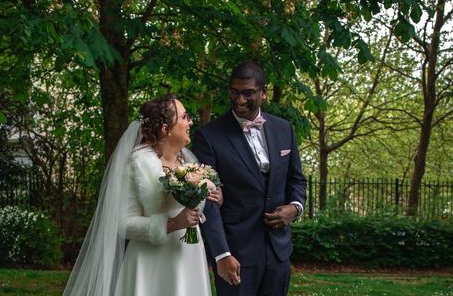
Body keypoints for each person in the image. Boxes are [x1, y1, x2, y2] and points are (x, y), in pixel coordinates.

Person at [63, 95, 221, 296]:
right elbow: (124, 224)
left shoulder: (188, 162)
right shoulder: (139, 163)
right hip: (151, 261)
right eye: (184, 117)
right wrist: (171, 224)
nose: (190, 122)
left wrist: (214, 194)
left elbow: (199, 204)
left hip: (187, 256)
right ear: (166, 128)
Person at [193, 60, 307, 296]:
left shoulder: (284, 128)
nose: (240, 100)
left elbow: (296, 180)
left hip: (278, 251)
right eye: (235, 92)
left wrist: (295, 208)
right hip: (236, 252)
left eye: (248, 93)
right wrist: (221, 254)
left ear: (263, 93)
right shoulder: (208, 136)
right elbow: (209, 199)